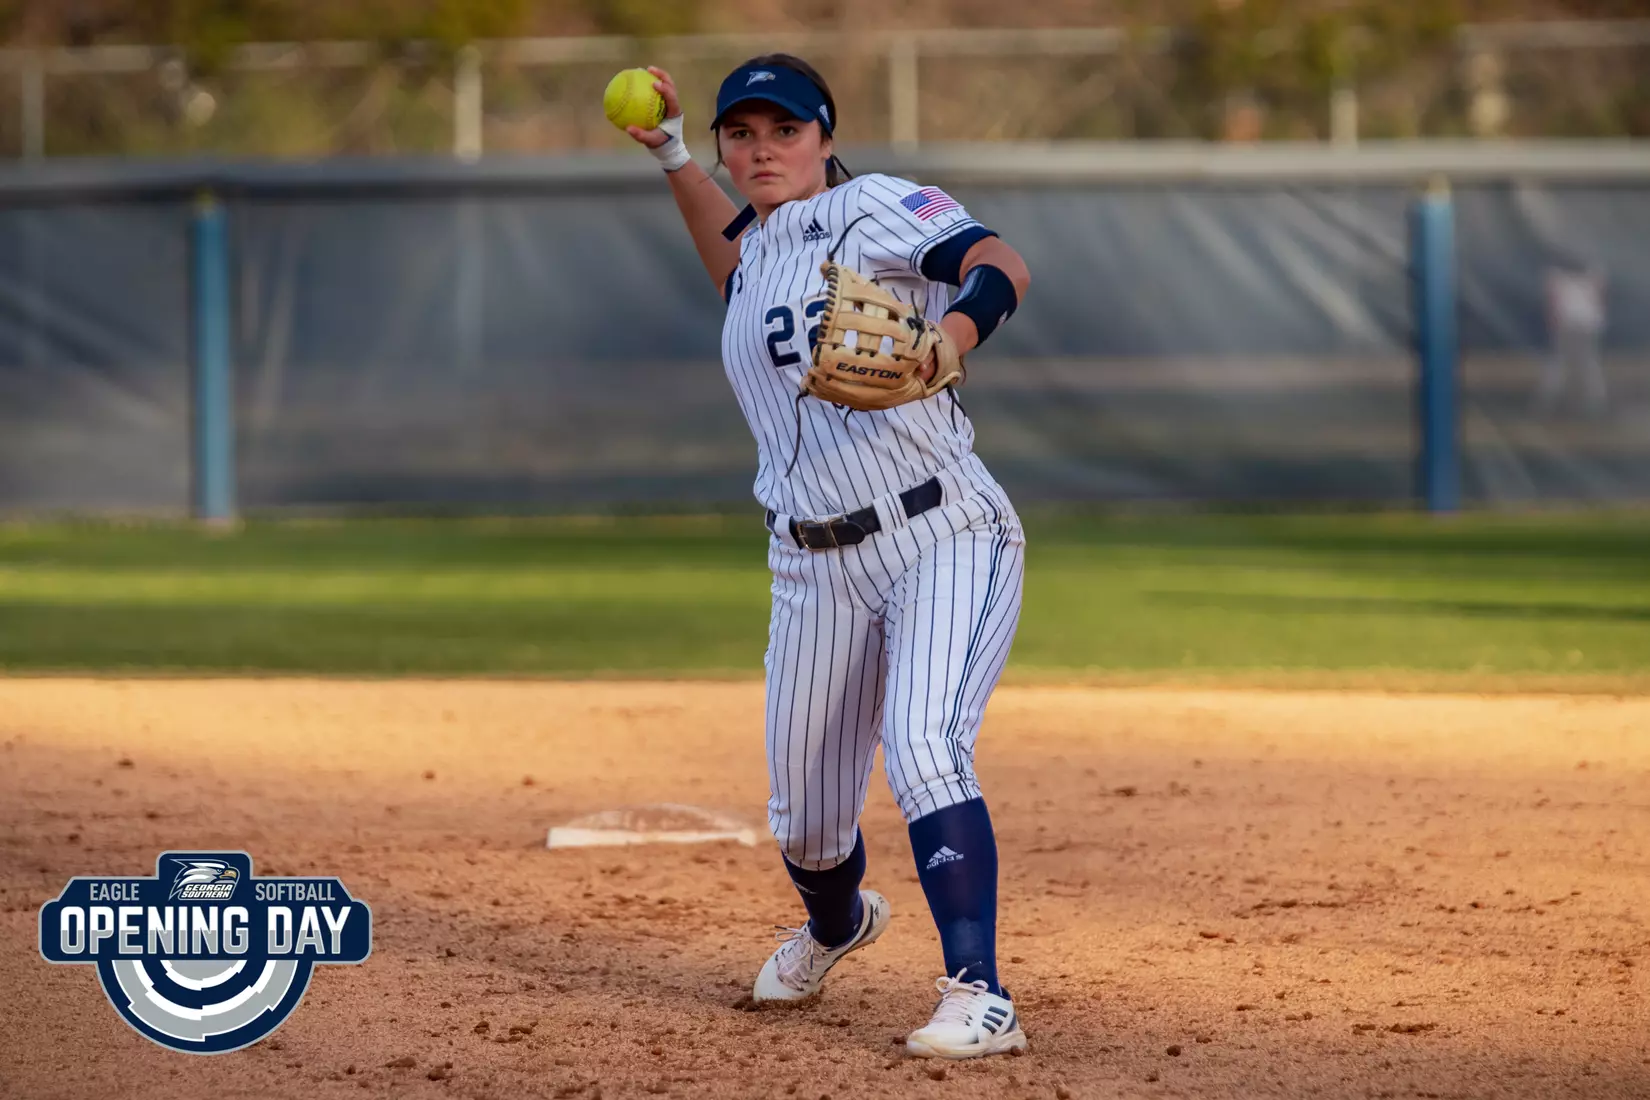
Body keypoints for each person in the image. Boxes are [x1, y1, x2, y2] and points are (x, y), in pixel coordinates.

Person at [623, 54, 1032, 1060]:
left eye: (784, 132)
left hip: (941, 529)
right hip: (811, 566)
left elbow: (1001, 262)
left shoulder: (879, 206)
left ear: (824, 137)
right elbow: (733, 262)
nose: (761, 151)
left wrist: (952, 338)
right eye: (742, 134)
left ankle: (979, 991)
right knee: (807, 829)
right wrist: (673, 153)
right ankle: (839, 921)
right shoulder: (760, 245)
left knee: (925, 739)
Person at [1537, 258, 1608, 416]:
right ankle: (1593, 404)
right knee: (1582, 364)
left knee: (1570, 364)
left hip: (1577, 323)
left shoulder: (1557, 274)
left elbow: (1552, 304)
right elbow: (1600, 296)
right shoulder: (1590, 272)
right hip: (1580, 323)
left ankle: (1593, 405)